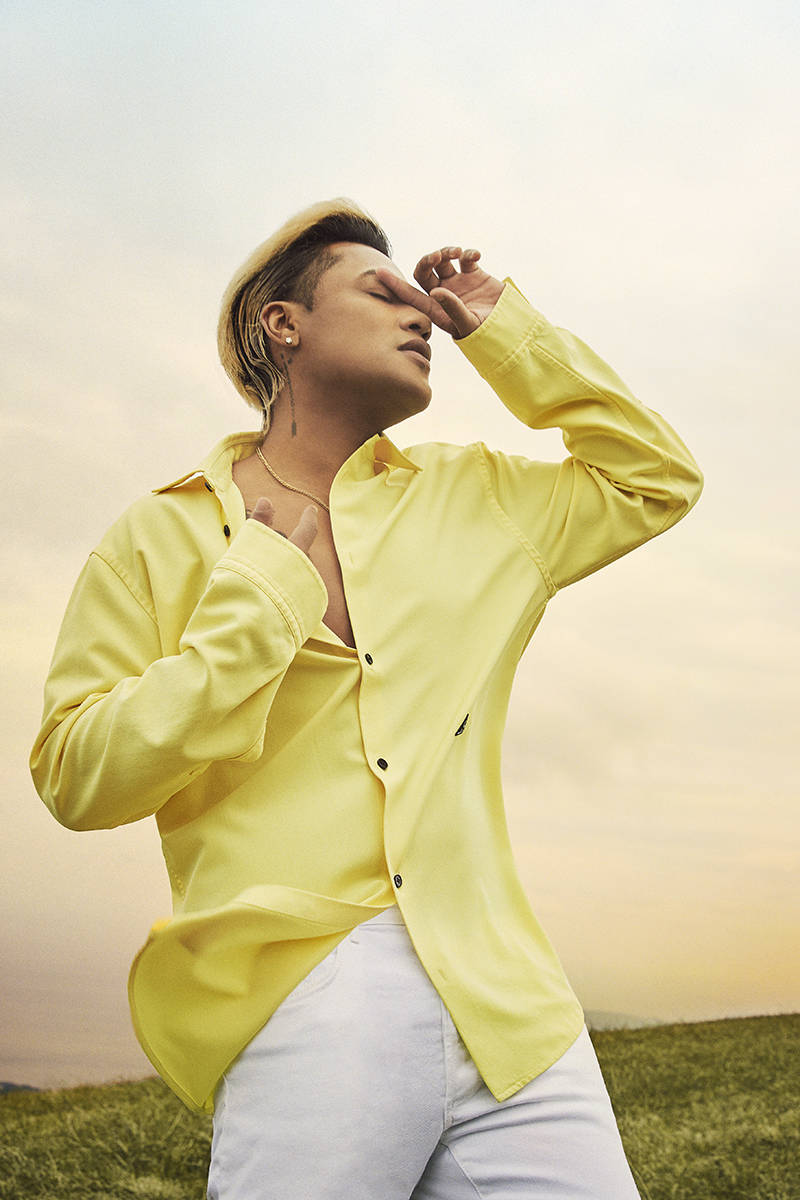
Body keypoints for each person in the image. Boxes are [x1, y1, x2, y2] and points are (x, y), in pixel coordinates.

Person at [31, 198, 703, 1199]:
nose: (417, 310)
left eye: (416, 297)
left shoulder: (477, 499)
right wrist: (252, 620)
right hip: (302, 987)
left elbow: (656, 479)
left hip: (508, 1002)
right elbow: (76, 778)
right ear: (283, 323)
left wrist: (508, 334)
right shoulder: (157, 537)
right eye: (380, 289)